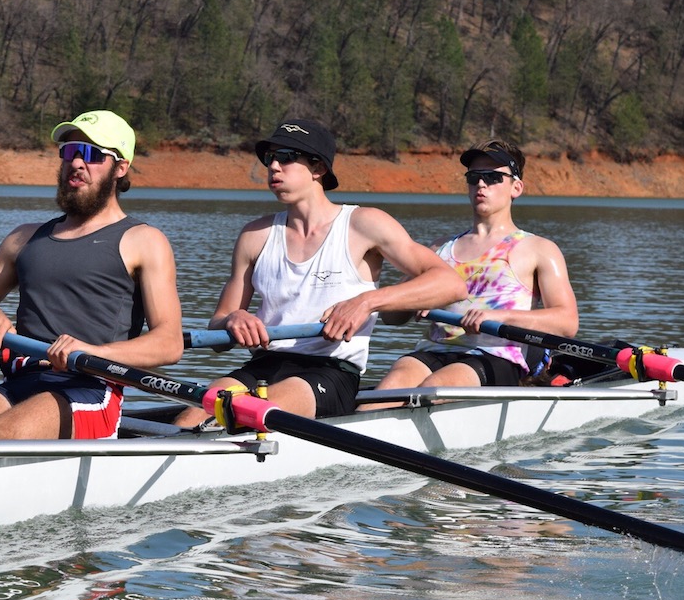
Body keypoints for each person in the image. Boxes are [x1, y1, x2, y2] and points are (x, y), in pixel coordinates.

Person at [0, 110, 184, 442]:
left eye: (93, 154)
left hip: (90, 389)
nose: (77, 162)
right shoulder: (23, 238)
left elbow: (169, 343)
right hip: (18, 382)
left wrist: (93, 352)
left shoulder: (144, 241)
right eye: (70, 152)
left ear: (120, 168)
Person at [172, 119, 466, 427]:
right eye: (268, 157)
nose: (273, 166)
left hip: (330, 372)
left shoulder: (364, 225)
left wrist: (367, 302)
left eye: (285, 157)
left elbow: (451, 283)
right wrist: (233, 319)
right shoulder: (254, 235)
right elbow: (218, 331)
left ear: (318, 169)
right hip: (262, 365)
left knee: (245, 413)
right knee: (190, 418)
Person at [364, 139, 579, 406]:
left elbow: (567, 322)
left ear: (516, 187)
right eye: (474, 177)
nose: (481, 184)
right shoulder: (439, 249)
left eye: (493, 177)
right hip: (434, 351)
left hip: (495, 357)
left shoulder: (539, 249)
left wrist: (495, 316)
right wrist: (413, 298)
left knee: (432, 390)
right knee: (386, 392)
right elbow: (391, 318)